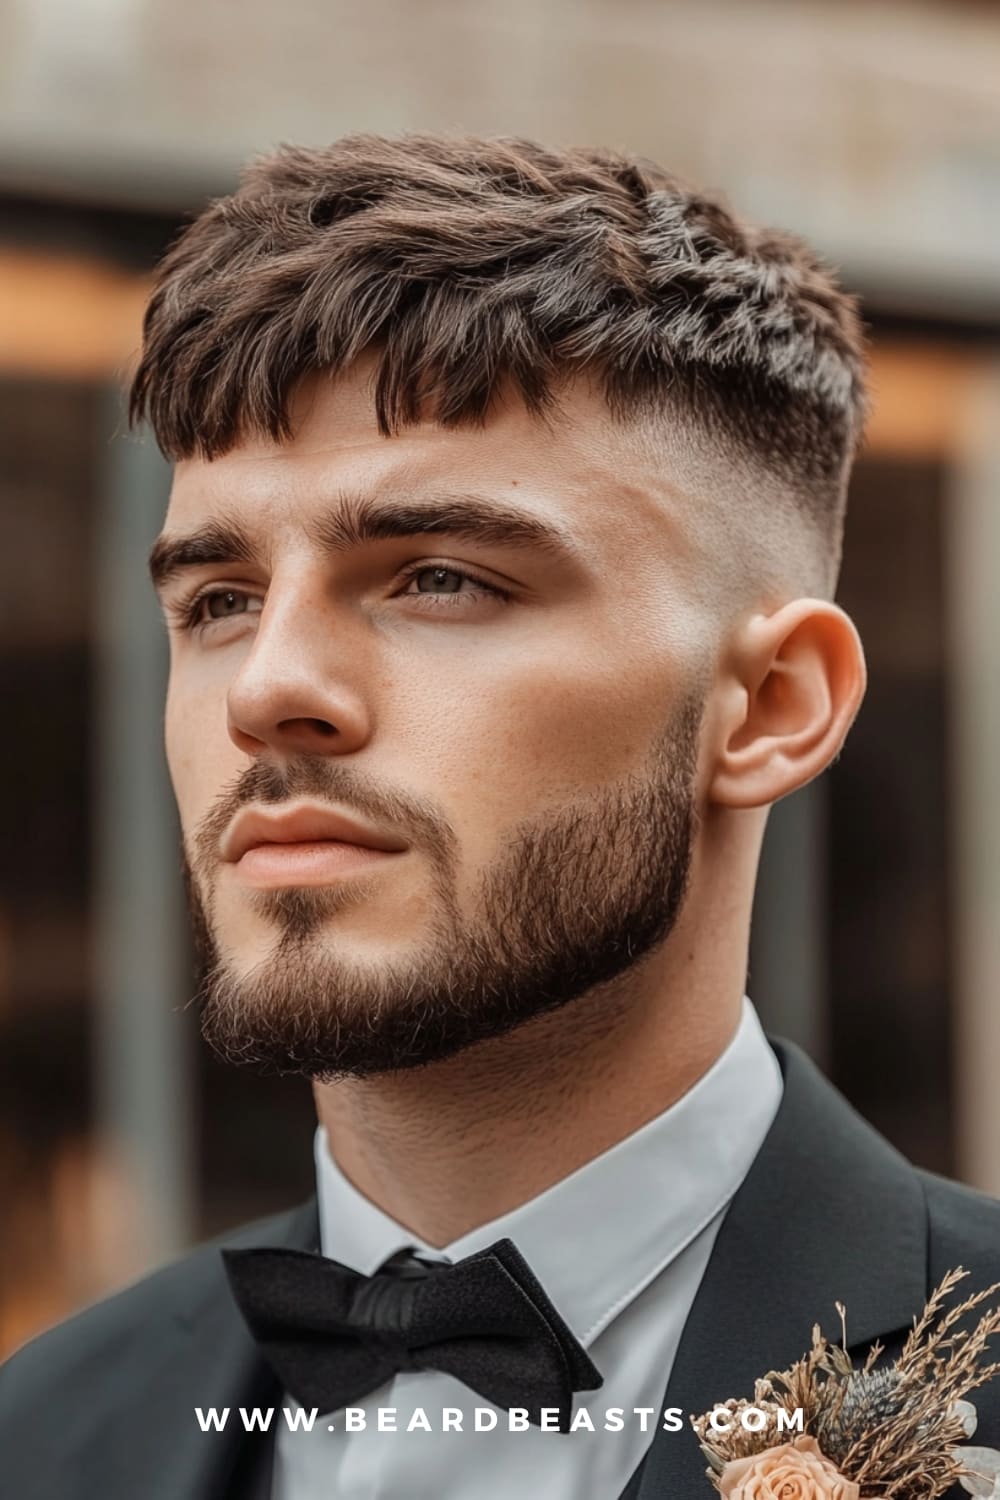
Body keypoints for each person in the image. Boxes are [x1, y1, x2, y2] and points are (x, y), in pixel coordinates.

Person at [2, 133, 998, 1500]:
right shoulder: (40, 1433)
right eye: (219, 601)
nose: (271, 688)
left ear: (771, 706)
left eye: (441, 578)